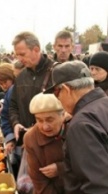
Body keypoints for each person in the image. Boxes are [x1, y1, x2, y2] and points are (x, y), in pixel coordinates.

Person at [44, 60, 108, 193]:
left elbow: (97, 186)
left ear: (66, 89)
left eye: (56, 93)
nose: (58, 99)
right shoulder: (103, 105)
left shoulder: (81, 124)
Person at [9, 31, 54, 145]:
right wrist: (16, 123)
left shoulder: (56, 72)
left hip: (50, 141)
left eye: (22, 54)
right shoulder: (21, 76)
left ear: (36, 49)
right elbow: (13, 106)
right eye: (17, 55)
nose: (19, 59)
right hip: (27, 141)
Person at [24, 93, 67, 194]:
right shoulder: (31, 138)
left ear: (63, 115)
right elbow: (39, 181)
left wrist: (61, 168)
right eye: (39, 120)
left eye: (50, 120)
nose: (45, 127)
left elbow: (89, 164)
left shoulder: (77, 128)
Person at [0, 63, 20, 178]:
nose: (3, 86)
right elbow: (5, 115)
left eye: (5, 82)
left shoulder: (14, 90)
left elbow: (6, 116)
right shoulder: (10, 92)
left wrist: (10, 137)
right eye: (1, 84)